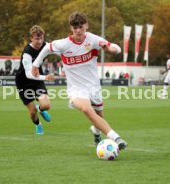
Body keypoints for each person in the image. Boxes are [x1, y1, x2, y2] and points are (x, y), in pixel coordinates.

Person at [31, 11, 127, 150]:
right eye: (75, 27)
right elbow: (47, 47)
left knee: (99, 115)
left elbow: (115, 47)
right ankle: (116, 138)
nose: (78, 30)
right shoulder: (64, 44)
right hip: (76, 89)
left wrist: (110, 49)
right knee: (87, 109)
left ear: (86, 25)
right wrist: (35, 65)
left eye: (81, 27)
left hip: (94, 87)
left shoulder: (93, 40)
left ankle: (96, 131)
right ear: (71, 28)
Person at [15, 25, 55, 135]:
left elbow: (59, 49)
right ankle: (38, 125)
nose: (39, 41)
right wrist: (45, 77)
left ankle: (41, 109)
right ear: (31, 38)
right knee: (32, 113)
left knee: (46, 105)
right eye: (37, 39)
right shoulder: (27, 53)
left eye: (41, 38)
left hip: (37, 81)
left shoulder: (45, 46)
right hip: (23, 82)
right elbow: (28, 74)